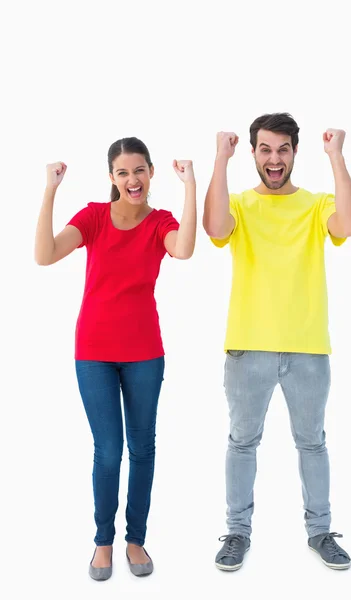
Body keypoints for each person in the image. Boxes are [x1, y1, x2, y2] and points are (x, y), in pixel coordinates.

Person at [203, 113, 351, 571]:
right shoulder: (238, 204)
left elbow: (350, 225)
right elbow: (215, 229)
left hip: (308, 348)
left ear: (295, 152)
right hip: (248, 347)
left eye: (284, 149)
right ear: (253, 153)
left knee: (312, 443)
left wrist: (336, 155)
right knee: (241, 442)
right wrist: (219, 158)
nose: (275, 159)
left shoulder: (315, 206)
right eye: (266, 149)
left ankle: (320, 532)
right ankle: (237, 533)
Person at [34, 137, 197, 581]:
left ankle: (136, 540)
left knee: (142, 449)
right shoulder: (93, 217)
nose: (132, 180)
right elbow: (44, 255)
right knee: (108, 452)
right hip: (94, 353)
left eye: (139, 171)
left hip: (145, 352)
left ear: (151, 173)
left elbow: (183, 249)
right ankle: (103, 542)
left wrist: (191, 187)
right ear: (112, 178)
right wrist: (50, 189)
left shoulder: (160, 221)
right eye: (123, 173)